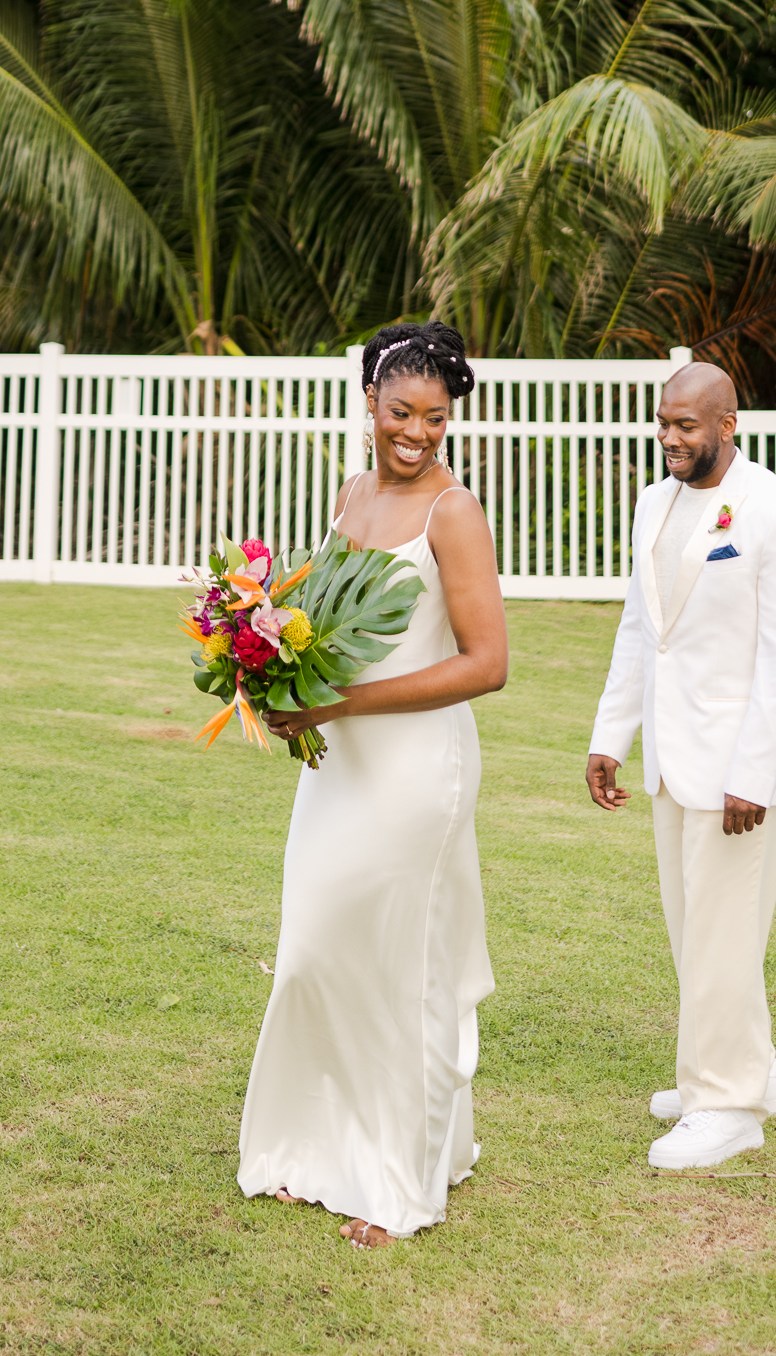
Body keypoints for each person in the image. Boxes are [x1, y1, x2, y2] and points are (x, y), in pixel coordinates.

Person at [237, 321, 508, 1245]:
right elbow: (327, 617)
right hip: (337, 762)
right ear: (369, 405)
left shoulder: (453, 513)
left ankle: (402, 1184)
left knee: (404, 971)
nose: (419, 433)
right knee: (317, 950)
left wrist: (342, 701)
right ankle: (314, 1149)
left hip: (414, 769)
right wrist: (270, 658)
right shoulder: (352, 492)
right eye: (402, 412)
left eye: (436, 417)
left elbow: (487, 665)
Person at [585, 361, 776, 1171]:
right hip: (674, 759)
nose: (670, 438)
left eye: (687, 426)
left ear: (728, 423)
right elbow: (642, 629)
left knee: (723, 934)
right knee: (695, 931)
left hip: (741, 771)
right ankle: (738, 1069)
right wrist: (612, 737)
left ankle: (727, 1106)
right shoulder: (654, 501)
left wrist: (754, 773)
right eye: (663, 423)